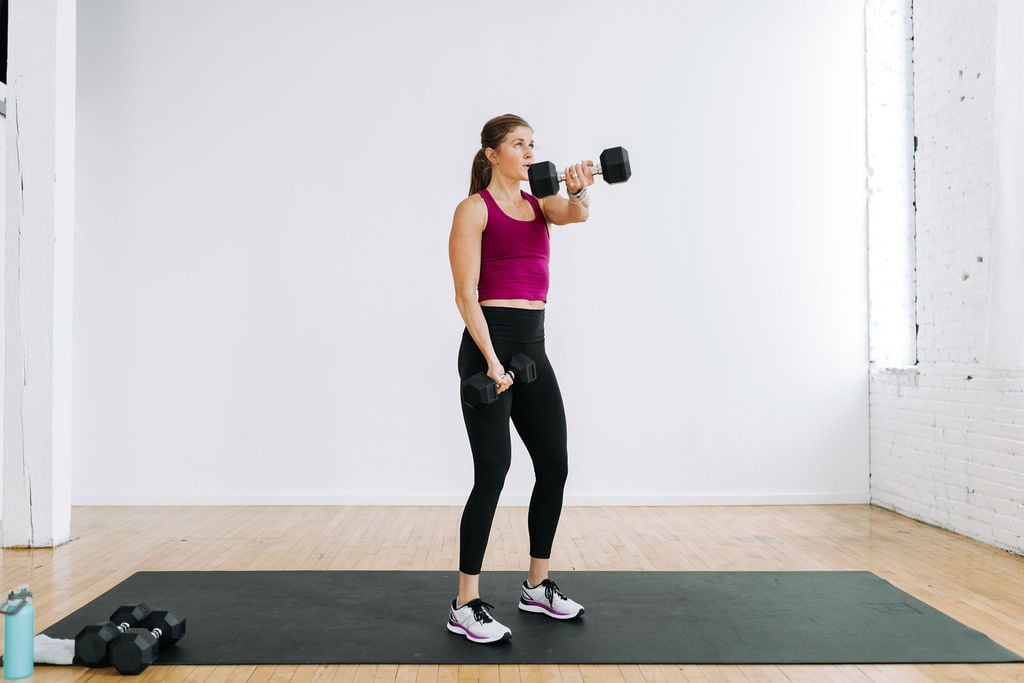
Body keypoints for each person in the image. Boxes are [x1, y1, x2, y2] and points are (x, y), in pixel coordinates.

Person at [446, 114, 593, 643]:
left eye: (533, 145)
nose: (529, 154)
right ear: (492, 154)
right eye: (518, 145)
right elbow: (466, 296)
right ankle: (464, 602)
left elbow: (574, 214)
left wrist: (578, 190)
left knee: (554, 464)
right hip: (489, 347)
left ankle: (536, 585)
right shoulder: (473, 210)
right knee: (494, 471)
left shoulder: (539, 203)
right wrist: (490, 360)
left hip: (534, 349)